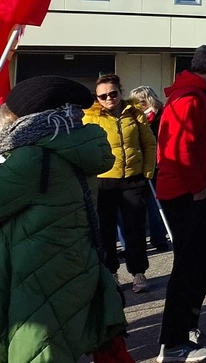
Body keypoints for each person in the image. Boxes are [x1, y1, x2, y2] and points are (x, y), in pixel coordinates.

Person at [0, 76, 127, 362]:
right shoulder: (71, 144)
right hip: (71, 261)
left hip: (37, 270)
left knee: (38, 350)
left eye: (8, 113)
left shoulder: (33, 158)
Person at [155, 43, 206, 362]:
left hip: (197, 191)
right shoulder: (189, 98)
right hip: (188, 194)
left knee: (201, 265)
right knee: (188, 268)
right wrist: (197, 188)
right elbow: (177, 149)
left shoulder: (200, 95)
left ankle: (188, 329)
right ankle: (173, 343)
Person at [85, 73, 157, 294]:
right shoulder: (91, 117)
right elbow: (85, 148)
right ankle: (111, 272)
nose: (108, 99)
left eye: (113, 93)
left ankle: (138, 272)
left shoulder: (134, 113)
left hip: (133, 178)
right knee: (105, 230)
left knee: (135, 228)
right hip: (104, 180)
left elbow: (149, 143)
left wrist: (147, 171)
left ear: (120, 92)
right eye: (102, 96)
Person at [130, 84, 172, 252]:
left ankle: (159, 237)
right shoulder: (136, 118)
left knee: (156, 203)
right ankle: (154, 237)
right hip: (143, 164)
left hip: (159, 163)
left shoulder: (160, 116)